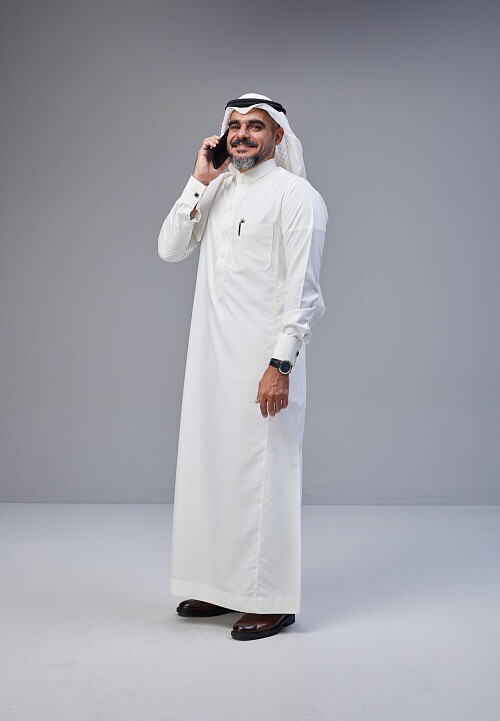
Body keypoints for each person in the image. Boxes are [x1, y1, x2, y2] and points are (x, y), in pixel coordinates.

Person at [158, 93, 328, 641]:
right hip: (210, 361)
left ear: (277, 136)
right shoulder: (217, 188)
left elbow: (303, 290)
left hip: (262, 364)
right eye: (234, 125)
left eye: (255, 126)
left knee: (264, 475)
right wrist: (198, 179)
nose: (242, 134)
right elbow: (169, 248)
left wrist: (281, 363)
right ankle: (218, 586)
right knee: (211, 470)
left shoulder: (297, 196)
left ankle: (270, 599)